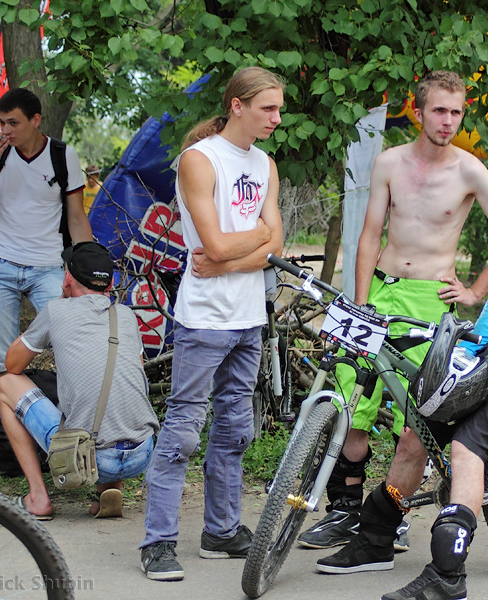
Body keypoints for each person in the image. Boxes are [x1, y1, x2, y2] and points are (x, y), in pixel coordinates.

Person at [316, 130, 488, 600]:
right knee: (417, 429)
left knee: (468, 447)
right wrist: (473, 344)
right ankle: (375, 540)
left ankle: (448, 576)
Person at [297, 71, 488, 551]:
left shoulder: (470, 170)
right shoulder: (389, 163)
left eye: (456, 112)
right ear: (418, 112)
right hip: (378, 291)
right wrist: (359, 300)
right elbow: (370, 235)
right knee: (351, 402)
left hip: (429, 300)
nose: (448, 121)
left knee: (413, 420)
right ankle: (346, 512)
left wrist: (476, 290)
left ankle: (391, 514)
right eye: (439, 110)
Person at [139, 66, 285, 582]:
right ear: (237, 105)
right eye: (268, 107)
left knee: (235, 430)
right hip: (205, 319)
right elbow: (224, 242)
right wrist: (253, 241)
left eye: (280, 108)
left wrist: (232, 257)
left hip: (249, 317)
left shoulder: (264, 164)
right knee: (181, 431)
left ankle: (221, 532)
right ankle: (157, 542)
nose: (277, 117)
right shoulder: (199, 160)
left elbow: (274, 246)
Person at [0, 241, 158, 520]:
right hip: (142, 452)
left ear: (68, 276)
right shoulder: (126, 316)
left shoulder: (56, 311)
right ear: (108, 285)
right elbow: (135, 379)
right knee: (111, 391)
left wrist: (59, 304)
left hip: (93, 459)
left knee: (5, 384)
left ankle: (38, 498)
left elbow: (12, 364)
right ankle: (106, 492)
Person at [0, 88, 92, 410]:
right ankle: (4, 445)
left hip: (48, 268)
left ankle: (76, 425)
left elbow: (76, 217)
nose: (5, 131)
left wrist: (90, 270)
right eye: (2, 122)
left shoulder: (62, 155)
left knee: (74, 343)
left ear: (36, 120)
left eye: (13, 123)